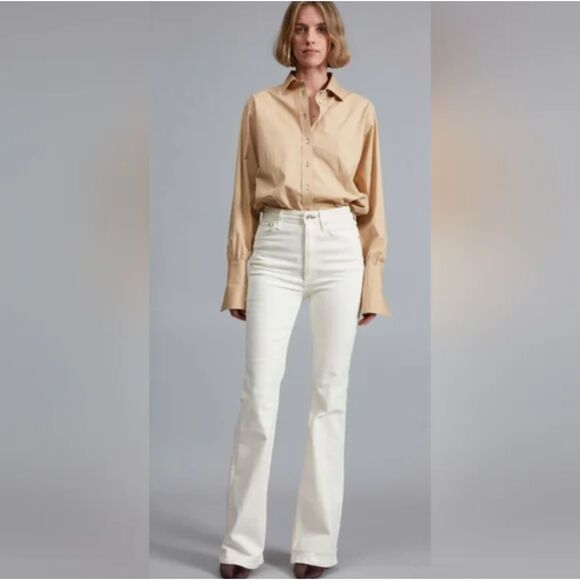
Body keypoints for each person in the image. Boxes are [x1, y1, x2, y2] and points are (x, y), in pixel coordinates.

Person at [218, 2, 391, 578]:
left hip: (340, 248)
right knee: (259, 398)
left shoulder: (361, 111)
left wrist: (372, 283)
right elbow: (242, 196)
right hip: (275, 246)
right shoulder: (260, 107)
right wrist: (238, 277)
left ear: (333, 37)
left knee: (328, 398)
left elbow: (373, 203)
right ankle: (240, 545)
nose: (311, 38)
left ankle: (314, 546)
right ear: (288, 38)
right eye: (300, 28)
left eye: (320, 28)